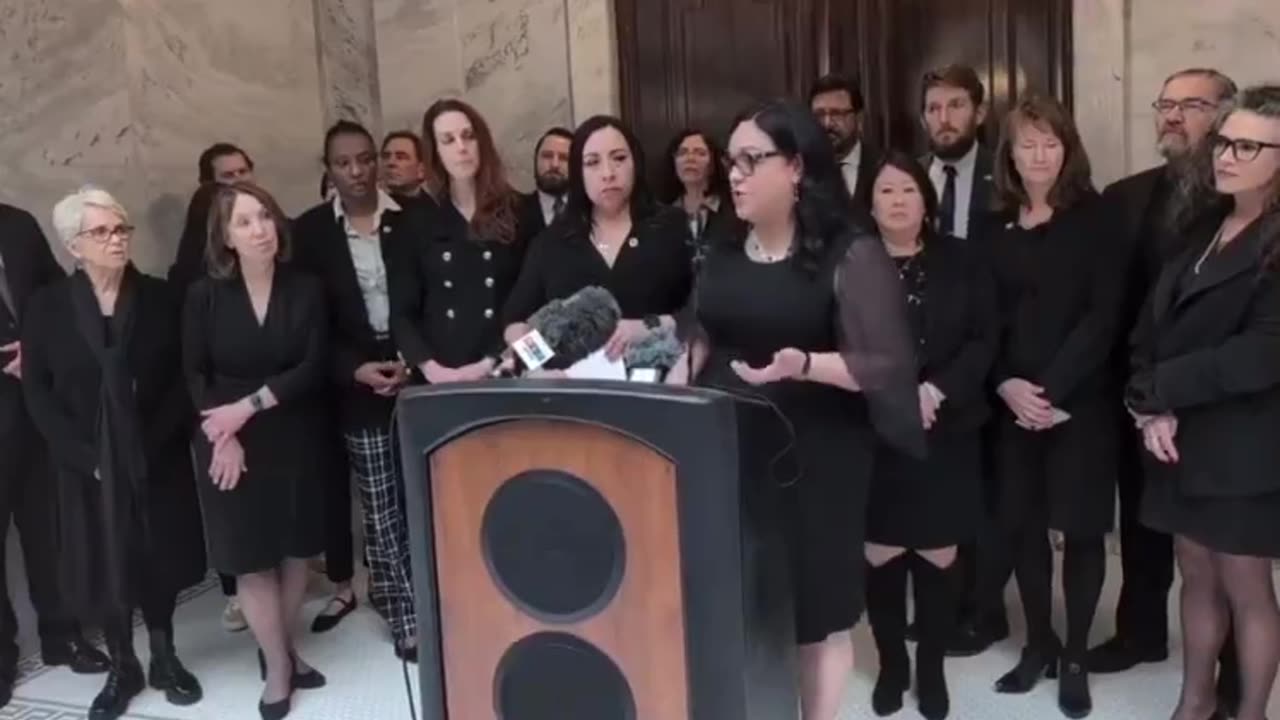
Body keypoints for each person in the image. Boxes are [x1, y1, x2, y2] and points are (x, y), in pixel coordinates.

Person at [668, 98, 923, 720]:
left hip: (818, 459)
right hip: (730, 452)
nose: (735, 173)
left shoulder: (849, 253)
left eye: (753, 159)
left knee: (815, 615)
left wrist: (804, 364)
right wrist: (682, 367)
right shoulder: (726, 245)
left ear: (798, 168)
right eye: (733, 160)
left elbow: (884, 362)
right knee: (740, 603)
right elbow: (705, 324)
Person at [21, 186, 205, 719]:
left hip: (155, 453)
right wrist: (87, 456)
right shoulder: (48, 308)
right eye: (100, 232)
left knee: (159, 557)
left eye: (121, 228)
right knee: (105, 560)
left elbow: (182, 377)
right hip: (87, 465)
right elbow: (38, 391)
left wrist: (150, 444)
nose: (116, 239)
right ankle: (124, 664)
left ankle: (166, 657)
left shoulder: (159, 297)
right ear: (72, 247)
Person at [1127, 83, 1280, 720]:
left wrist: (1163, 389)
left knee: (1246, 586)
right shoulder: (1206, 224)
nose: (1227, 155)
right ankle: (1194, 702)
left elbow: (1262, 352)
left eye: (1248, 145)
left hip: (1246, 440)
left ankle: (1249, 713)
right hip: (1180, 435)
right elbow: (1151, 326)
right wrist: (1148, 403)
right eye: (1224, 141)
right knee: (1195, 574)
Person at [1090, 67, 1240, 700]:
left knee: (1225, 547)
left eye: (1193, 105)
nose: (1173, 116)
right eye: (1166, 104)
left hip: (1225, 398)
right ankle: (1141, 630)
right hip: (1139, 390)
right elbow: (1107, 303)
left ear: (1227, 117)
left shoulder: (1250, 197)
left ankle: (1237, 669)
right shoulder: (1124, 196)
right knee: (1144, 519)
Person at [986, 94, 1121, 717]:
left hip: (1080, 404)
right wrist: (1007, 384)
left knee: (1083, 528)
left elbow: (1104, 315)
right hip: (1012, 404)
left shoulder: (1097, 218)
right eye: (1027, 143)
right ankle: (1036, 643)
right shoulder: (993, 225)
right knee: (1023, 527)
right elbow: (982, 320)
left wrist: (1053, 390)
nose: (1039, 154)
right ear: (1009, 154)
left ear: (1067, 150)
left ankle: (1073, 652)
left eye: (1050, 143)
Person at [183, 182, 328, 718]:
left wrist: (249, 406)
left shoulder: (306, 288)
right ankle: (279, 669)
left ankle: (282, 651)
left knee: (293, 553)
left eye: (264, 216)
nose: (259, 229)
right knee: (251, 559)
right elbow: (194, 374)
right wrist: (226, 434)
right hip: (228, 443)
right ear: (224, 236)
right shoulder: (203, 295)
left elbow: (311, 365)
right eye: (244, 221)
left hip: (292, 431)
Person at [862, 152, 997, 720]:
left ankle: (933, 668)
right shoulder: (850, 263)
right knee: (882, 552)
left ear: (927, 201)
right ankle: (893, 665)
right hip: (873, 433)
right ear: (870, 204)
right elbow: (835, 339)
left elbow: (984, 337)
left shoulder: (961, 259)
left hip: (947, 430)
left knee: (940, 554)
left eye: (908, 191)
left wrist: (935, 390)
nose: (897, 200)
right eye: (886, 191)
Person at [294, 119, 419, 660]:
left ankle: (431, 594)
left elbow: (437, 301)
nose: (357, 172)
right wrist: (355, 369)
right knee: (381, 504)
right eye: (343, 163)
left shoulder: (415, 220)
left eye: (366, 159)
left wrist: (417, 361)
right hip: (355, 384)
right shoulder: (311, 232)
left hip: (419, 375)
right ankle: (403, 611)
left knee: (420, 494)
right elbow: (309, 323)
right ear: (329, 170)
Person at [0, 201, 109, 707]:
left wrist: (37, 347)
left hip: (36, 405)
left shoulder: (18, 222)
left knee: (48, 530)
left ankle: (62, 635)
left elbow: (53, 294)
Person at [502, 115, 694, 358]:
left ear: (636, 162)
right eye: (592, 162)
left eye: (619, 158)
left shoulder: (671, 226)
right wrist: (540, 365)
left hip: (657, 381)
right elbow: (514, 322)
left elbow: (698, 312)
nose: (608, 173)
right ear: (577, 173)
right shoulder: (553, 241)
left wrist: (650, 326)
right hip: (575, 389)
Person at [391, 98, 530, 385]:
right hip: (441, 375)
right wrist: (430, 368)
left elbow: (535, 301)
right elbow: (402, 313)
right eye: (448, 140)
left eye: (468, 136)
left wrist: (498, 359)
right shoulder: (416, 221)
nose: (461, 148)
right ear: (435, 153)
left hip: (504, 368)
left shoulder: (517, 211)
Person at [659, 128, 732, 266]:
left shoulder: (733, 209)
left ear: (712, 165)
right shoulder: (662, 214)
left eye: (700, 153)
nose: (690, 159)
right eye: (682, 153)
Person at [516, 127, 573, 246]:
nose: (554, 165)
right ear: (535, 160)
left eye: (564, 158)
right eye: (547, 156)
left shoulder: (589, 213)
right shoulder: (513, 214)